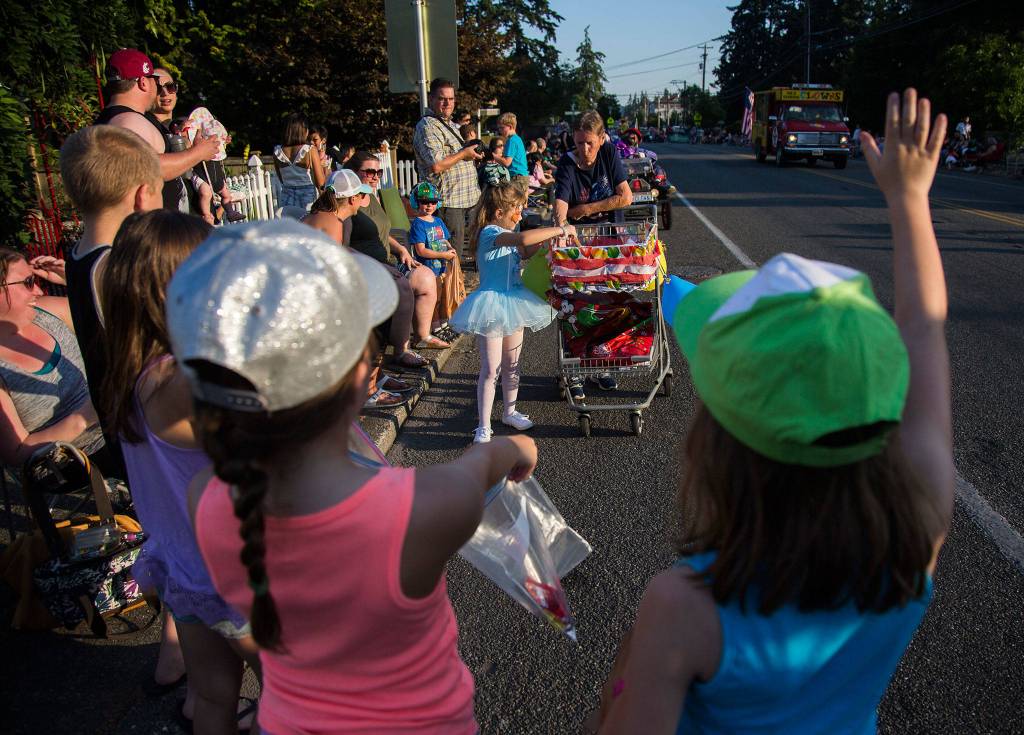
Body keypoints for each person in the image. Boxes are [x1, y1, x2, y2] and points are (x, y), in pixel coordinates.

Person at [596, 89, 954, 734]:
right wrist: (910, 201)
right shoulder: (914, 536)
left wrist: (621, 679)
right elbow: (924, 331)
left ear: (719, 441)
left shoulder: (687, 605)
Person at [167, 219, 538, 734]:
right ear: (365, 380)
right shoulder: (420, 507)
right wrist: (517, 446)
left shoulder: (205, 497)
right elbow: (488, 461)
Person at [98, 210, 260, 733]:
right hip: (238, 573)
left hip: (184, 567)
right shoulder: (185, 380)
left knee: (212, 698)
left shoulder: (132, 370)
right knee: (300, 698)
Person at [59, 124, 186, 692]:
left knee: (170, 534)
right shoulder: (120, 265)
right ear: (142, 195)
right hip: (152, 422)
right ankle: (186, 660)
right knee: (184, 536)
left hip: (123, 419)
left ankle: (176, 655)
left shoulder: (82, 254)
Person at [450, 182, 575, 444]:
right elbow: (523, 239)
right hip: (492, 304)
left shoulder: (507, 230)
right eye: (517, 209)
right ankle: (483, 425)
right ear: (499, 212)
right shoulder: (490, 232)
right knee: (490, 368)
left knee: (513, 365)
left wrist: (547, 243)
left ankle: (510, 411)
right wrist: (560, 227)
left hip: (514, 301)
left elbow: (526, 249)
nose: (520, 214)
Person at [302, 170, 418, 408]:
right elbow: (334, 266)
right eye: (361, 196)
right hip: (318, 300)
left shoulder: (319, 215)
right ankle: (367, 389)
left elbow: (338, 253)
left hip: (307, 292)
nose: (363, 202)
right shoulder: (334, 222)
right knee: (377, 320)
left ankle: (375, 377)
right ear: (353, 199)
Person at [553, 111, 633, 398]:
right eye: (579, 144)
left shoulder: (609, 154)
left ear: (601, 139)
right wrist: (562, 223)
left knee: (604, 301)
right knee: (574, 304)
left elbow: (625, 197)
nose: (584, 150)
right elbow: (561, 202)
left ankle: (601, 366)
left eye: (589, 143)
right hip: (578, 242)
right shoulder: (568, 162)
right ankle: (573, 369)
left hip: (608, 239)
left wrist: (584, 210)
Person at [0, 249, 104, 466]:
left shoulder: (46, 312)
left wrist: (75, 282)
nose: (38, 289)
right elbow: (17, 452)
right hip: (75, 463)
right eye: (28, 282)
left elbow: (120, 322)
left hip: (120, 427)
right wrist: (86, 416)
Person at [94, 48, 220, 213]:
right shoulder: (129, 120)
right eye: (155, 81)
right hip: (151, 230)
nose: (159, 88)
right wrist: (198, 153)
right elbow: (150, 167)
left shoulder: (113, 118)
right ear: (143, 82)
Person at [346, 152, 449, 354]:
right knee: (403, 285)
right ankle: (401, 349)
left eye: (378, 172)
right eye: (369, 172)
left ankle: (423, 335)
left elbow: (381, 232)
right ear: (353, 172)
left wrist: (401, 248)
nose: (375, 176)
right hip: (367, 265)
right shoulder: (350, 203)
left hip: (388, 259)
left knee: (426, 276)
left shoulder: (370, 197)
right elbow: (343, 244)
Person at [413, 78, 484, 264]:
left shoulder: (451, 125)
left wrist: (473, 154)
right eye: (442, 98)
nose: (447, 103)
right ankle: (446, 293)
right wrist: (463, 153)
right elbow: (436, 164)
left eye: (451, 99)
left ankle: (456, 291)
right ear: (431, 98)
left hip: (465, 200)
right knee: (448, 262)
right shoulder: (428, 126)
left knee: (457, 259)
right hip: (447, 203)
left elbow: (458, 156)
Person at [407, 182, 465, 339]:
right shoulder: (418, 224)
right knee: (434, 300)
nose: (429, 205)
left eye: (433, 202)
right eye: (425, 202)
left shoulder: (438, 221)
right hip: (429, 271)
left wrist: (449, 250)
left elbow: (445, 240)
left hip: (442, 269)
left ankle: (444, 323)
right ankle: (435, 327)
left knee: (444, 298)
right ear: (416, 202)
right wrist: (443, 255)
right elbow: (421, 250)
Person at [273, 113, 326, 211]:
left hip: (286, 195)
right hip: (307, 197)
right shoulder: (310, 150)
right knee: (306, 224)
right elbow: (320, 182)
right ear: (303, 130)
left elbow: (281, 179)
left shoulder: (277, 151)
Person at [496, 113, 529, 186]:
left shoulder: (511, 141)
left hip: (517, 177)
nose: (500, 130)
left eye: (502, 128)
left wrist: (494, 156)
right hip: (522, 176)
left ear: (510, 127)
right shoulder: (517, 139)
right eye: (499, 128)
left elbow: (507, 162)